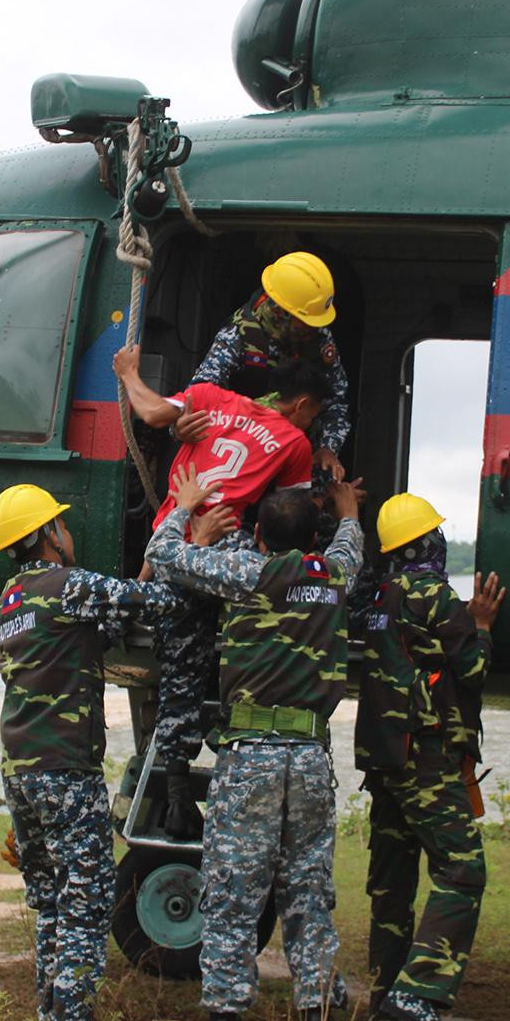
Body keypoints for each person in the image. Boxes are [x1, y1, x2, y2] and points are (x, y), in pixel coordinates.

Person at [146, 467, 365, 1021]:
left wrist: (186, 509)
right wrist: (347, 510)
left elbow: (164, 557)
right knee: (308, 899)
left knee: (233, 899)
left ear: (261, 540)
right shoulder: (335, 574)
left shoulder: (248, 573)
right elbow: (351, 545)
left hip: (250, 761)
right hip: (312, 762)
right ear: (314, 541)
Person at [0, 483, 210, 1021]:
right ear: (45, 537)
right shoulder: (69, 586)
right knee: (86, 905)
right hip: (64, 770)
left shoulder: (12, 600)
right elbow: (158, 604)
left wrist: (130, 585)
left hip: (21, 772)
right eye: (60, 525)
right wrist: (191, 533)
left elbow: (91, 633)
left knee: (54, 906)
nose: (69, 532)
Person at [113, 346, 334, 837]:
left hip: (174, 542)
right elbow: (292, 515)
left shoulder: (209, 397)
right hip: (228, 545)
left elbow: (148, 411)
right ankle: (231, 753)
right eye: (316, 413)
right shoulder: (294, 439)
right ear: (301, 405)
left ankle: (175, 796)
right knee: (246, 644)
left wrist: (129, 372)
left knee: (180, 666)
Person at [357, 494, 505, 1021]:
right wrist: (482, 623)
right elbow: (473, 670)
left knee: (392, 884)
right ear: (428, 545)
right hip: (426, 758)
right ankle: (418, 990)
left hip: (385, 758)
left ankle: (382, 1000)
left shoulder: (375, 598)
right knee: (463, 872)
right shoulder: (437, 597)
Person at [189, 251, 352, 482]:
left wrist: (328, 448)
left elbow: (336, 401)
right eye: (305, 322)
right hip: (240, 453)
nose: (314, 328)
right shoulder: (238, 337)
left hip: (299, 456)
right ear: (280, 312)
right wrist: (180, 428)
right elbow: (198, 397)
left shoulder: (319, 339)